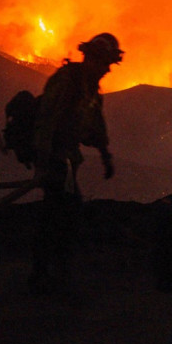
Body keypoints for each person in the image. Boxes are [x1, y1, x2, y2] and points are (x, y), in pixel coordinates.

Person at [28, 33, 122, 295]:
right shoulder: (67, 81)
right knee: (64, 215)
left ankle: (45, 274)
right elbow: (46, 121)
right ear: (91, 58)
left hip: (68, 160)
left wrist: (106, 156)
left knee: (57, 214)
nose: (107, 69)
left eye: (109, 64)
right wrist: (44, 162)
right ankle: (52, 277)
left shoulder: (90, 89)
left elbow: (96, 124)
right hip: (56, 159)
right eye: (104, 63)